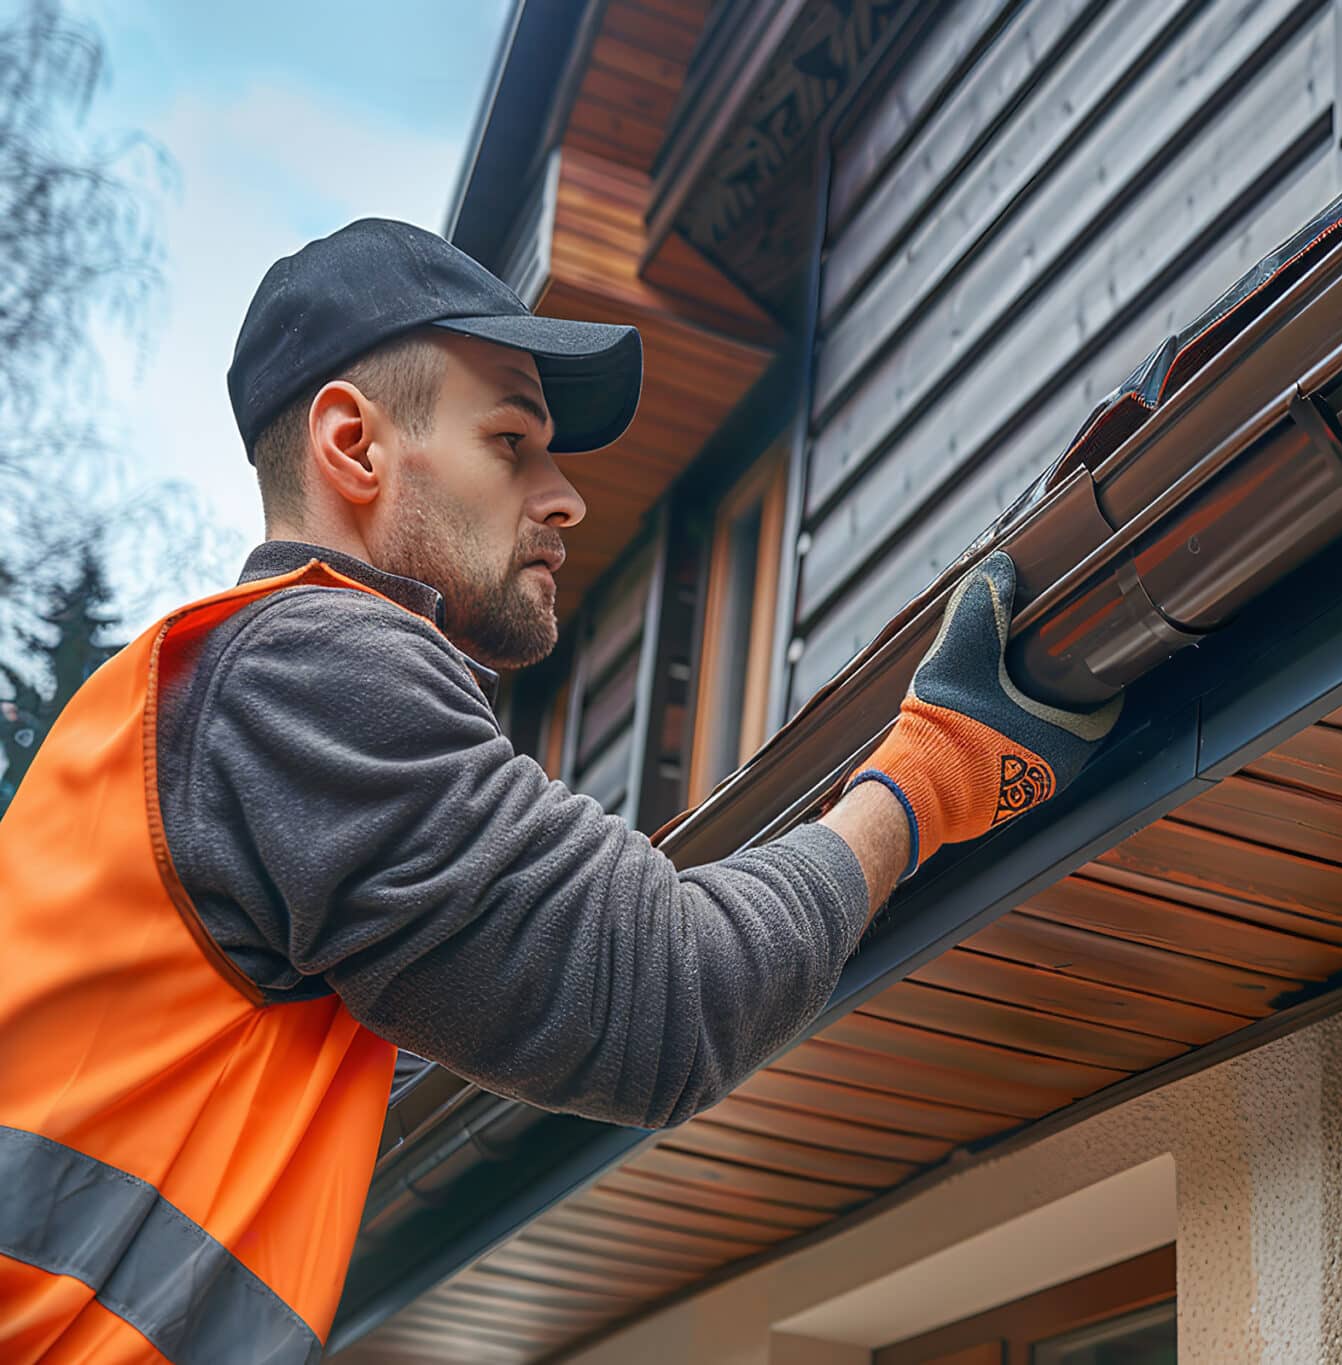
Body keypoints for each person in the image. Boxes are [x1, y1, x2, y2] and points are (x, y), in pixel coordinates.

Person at [0, 218, 1120, 1364]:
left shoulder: (191, 703)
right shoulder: (308, 670)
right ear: (354, 444)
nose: (565, 496)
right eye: (510, 438)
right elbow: (671, 996)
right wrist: (929, 777)